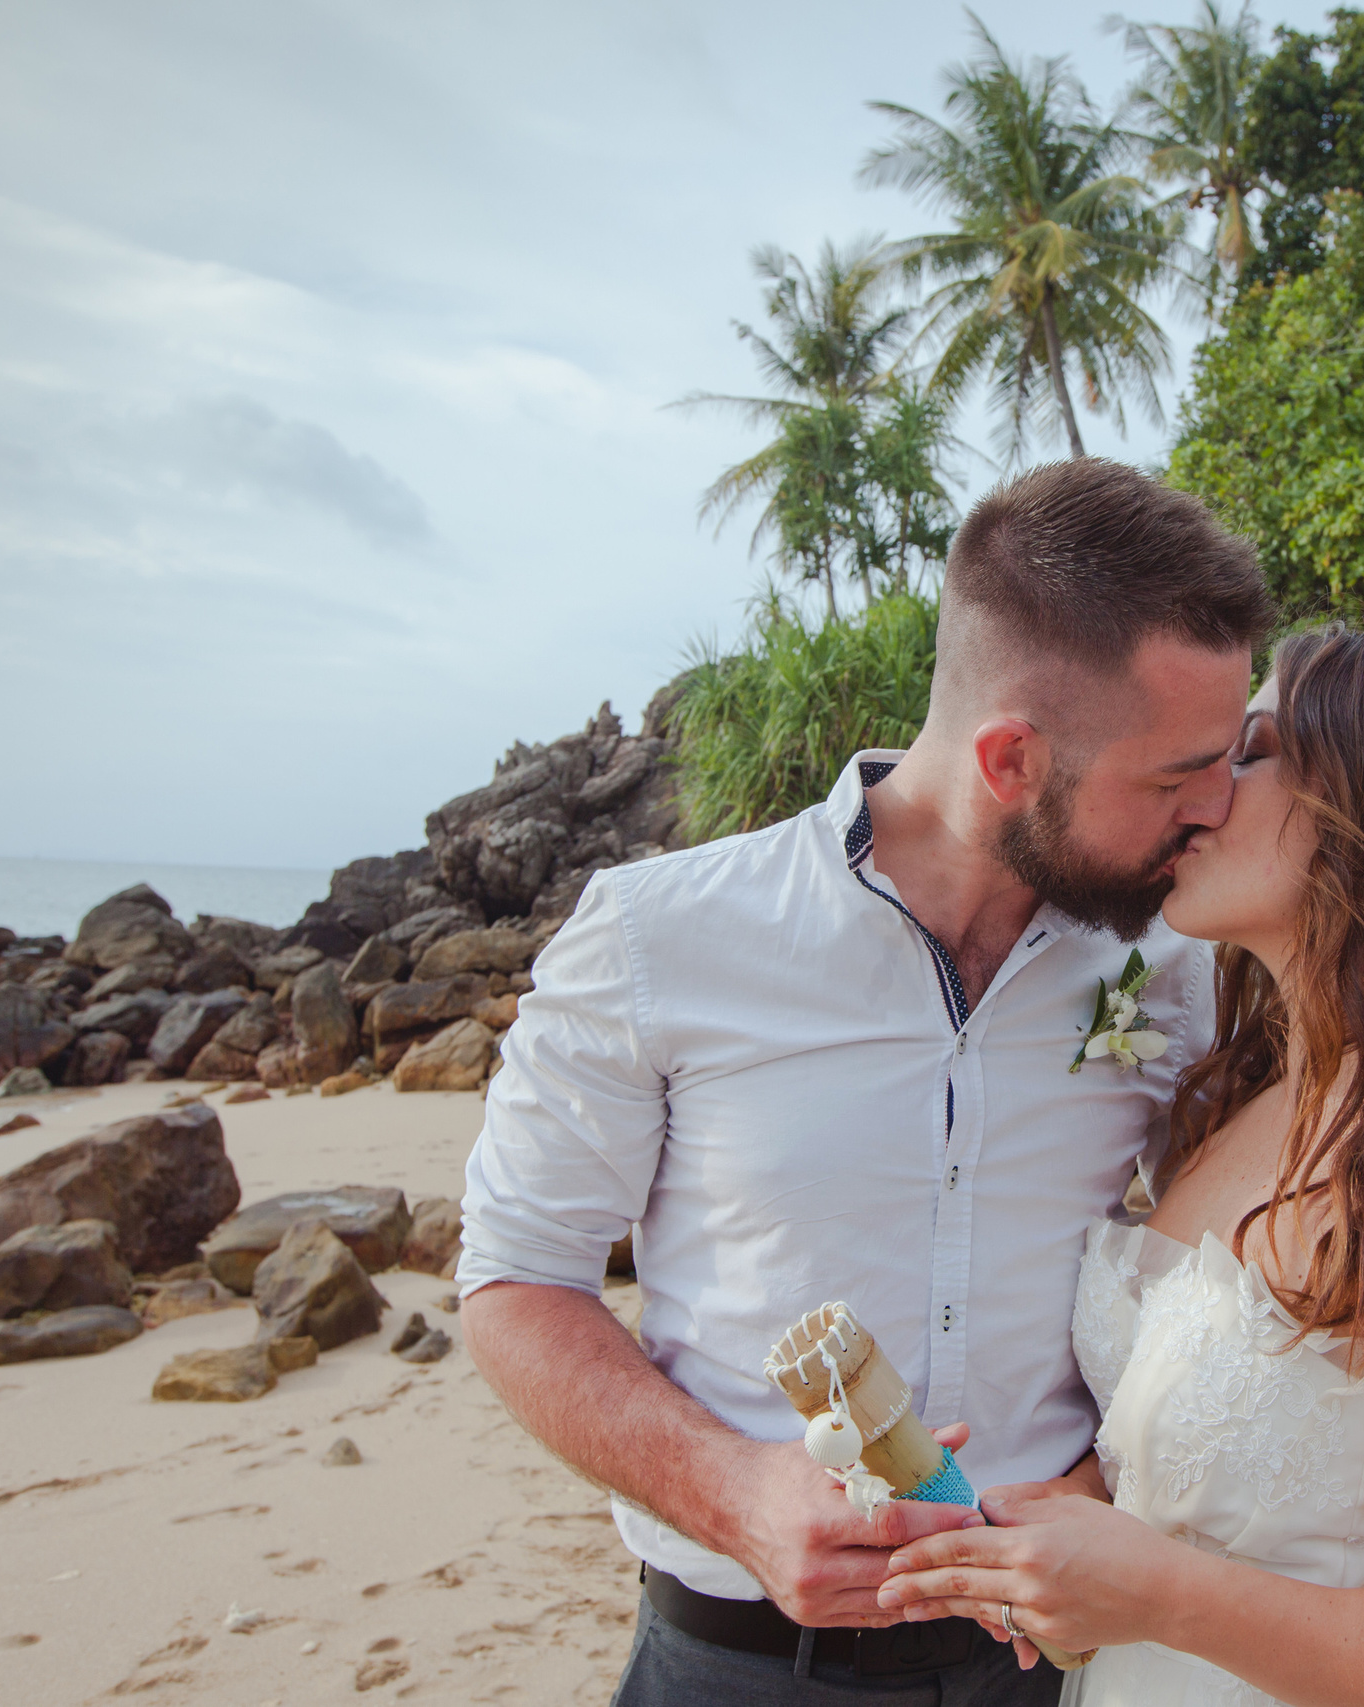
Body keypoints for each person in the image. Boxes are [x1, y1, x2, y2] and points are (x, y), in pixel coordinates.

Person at [456, 456, 1278, 1705]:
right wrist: (728, 1494)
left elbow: (1238, 1272)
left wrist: (1107, 1486)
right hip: (736, 1664)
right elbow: (516, 1278)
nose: (1217, 809)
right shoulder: (652, 938)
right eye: (1175, 777)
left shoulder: (1180, 966)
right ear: (1011, 762)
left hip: (1061, 1670)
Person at [877, 620, 1364, 1707]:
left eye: (1248, 753)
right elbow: (1171, 1449)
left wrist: (1158, 1595)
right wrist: (1053, 1518)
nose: (1199, 795)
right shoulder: (1228, 1100)